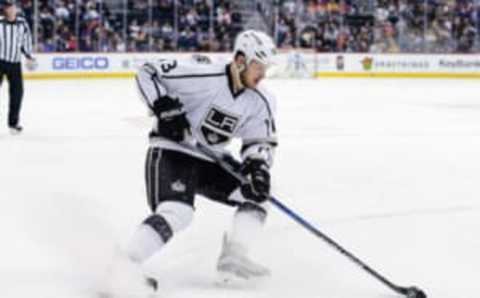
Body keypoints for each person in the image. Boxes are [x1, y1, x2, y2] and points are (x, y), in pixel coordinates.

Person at [103, 30, 278, 297]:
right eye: (258, 66)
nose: (262, 74)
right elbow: (147, 73)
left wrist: (258, 166)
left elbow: (259, 140)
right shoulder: (202, 75)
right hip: (172, 151)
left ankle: (234, 257)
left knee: (259, 196)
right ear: (240, 60)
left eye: (265, 68)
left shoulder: (261, 101)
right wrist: (164, 106)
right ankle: (124, 265)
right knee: (177, 212)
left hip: (210, 159)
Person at [0, 0, 34, 135]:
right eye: (8, 6)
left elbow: (27, 40)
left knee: (17, 94)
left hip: (15, 63)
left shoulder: (22, 23)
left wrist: (29, 55)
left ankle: (13, 124)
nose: (12, 8)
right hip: (0, 61)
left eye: (12, 6)